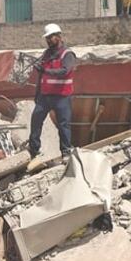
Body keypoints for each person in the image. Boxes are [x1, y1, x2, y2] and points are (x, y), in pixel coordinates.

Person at [29, 23, 77, 159]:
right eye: (47, 38)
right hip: (45, 96)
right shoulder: (46, 54)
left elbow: (64, 71)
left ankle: (66, 151)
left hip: (62, 96)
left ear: (59, 36)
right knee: (36, 120)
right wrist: (37, 93)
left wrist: (46, 70)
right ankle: (33, 150)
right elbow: (41, 76)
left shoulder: (68, 54)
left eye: (51, 37)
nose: (49, 40)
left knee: (63, 125)